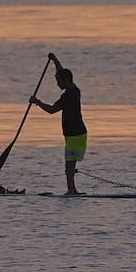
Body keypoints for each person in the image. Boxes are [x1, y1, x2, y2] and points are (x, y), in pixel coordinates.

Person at [30, 52, 87, 195]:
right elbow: (61, 72)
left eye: (59, 81)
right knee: (70, 164)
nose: (57, 84)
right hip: (76, 134)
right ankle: (73, 190)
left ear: (66, 80)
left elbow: (51, 110)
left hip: (75, 134)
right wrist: (55, 60)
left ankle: (71, 191)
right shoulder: (75, 89)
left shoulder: (68, 96)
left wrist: (37, 102)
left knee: (69, 165)